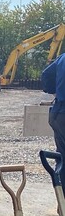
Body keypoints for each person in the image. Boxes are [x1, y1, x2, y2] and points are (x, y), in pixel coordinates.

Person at [41, 52, 65, 190]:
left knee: (62, 158)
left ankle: (63, 202)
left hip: (60, 113)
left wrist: (57, 93)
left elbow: (46, 75)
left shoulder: (62, 58)